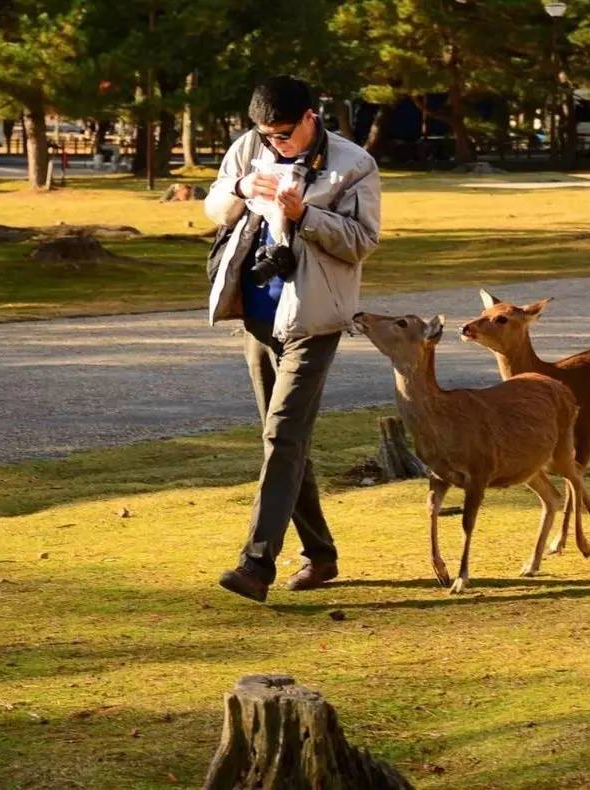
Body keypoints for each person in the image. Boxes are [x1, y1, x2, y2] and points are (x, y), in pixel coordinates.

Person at [204, 75, 382, 603]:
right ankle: (321, 555)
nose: (273, 144)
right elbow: (213, 204)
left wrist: (306, 216)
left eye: (283, 134)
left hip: (314, 319)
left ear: (310, 118)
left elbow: (361, 242)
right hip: (257, 313)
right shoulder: (248, 147)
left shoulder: (354, 165)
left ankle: (256, 564)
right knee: (283, 438)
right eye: (265, 134)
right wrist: (239, 190)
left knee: (282, 435)